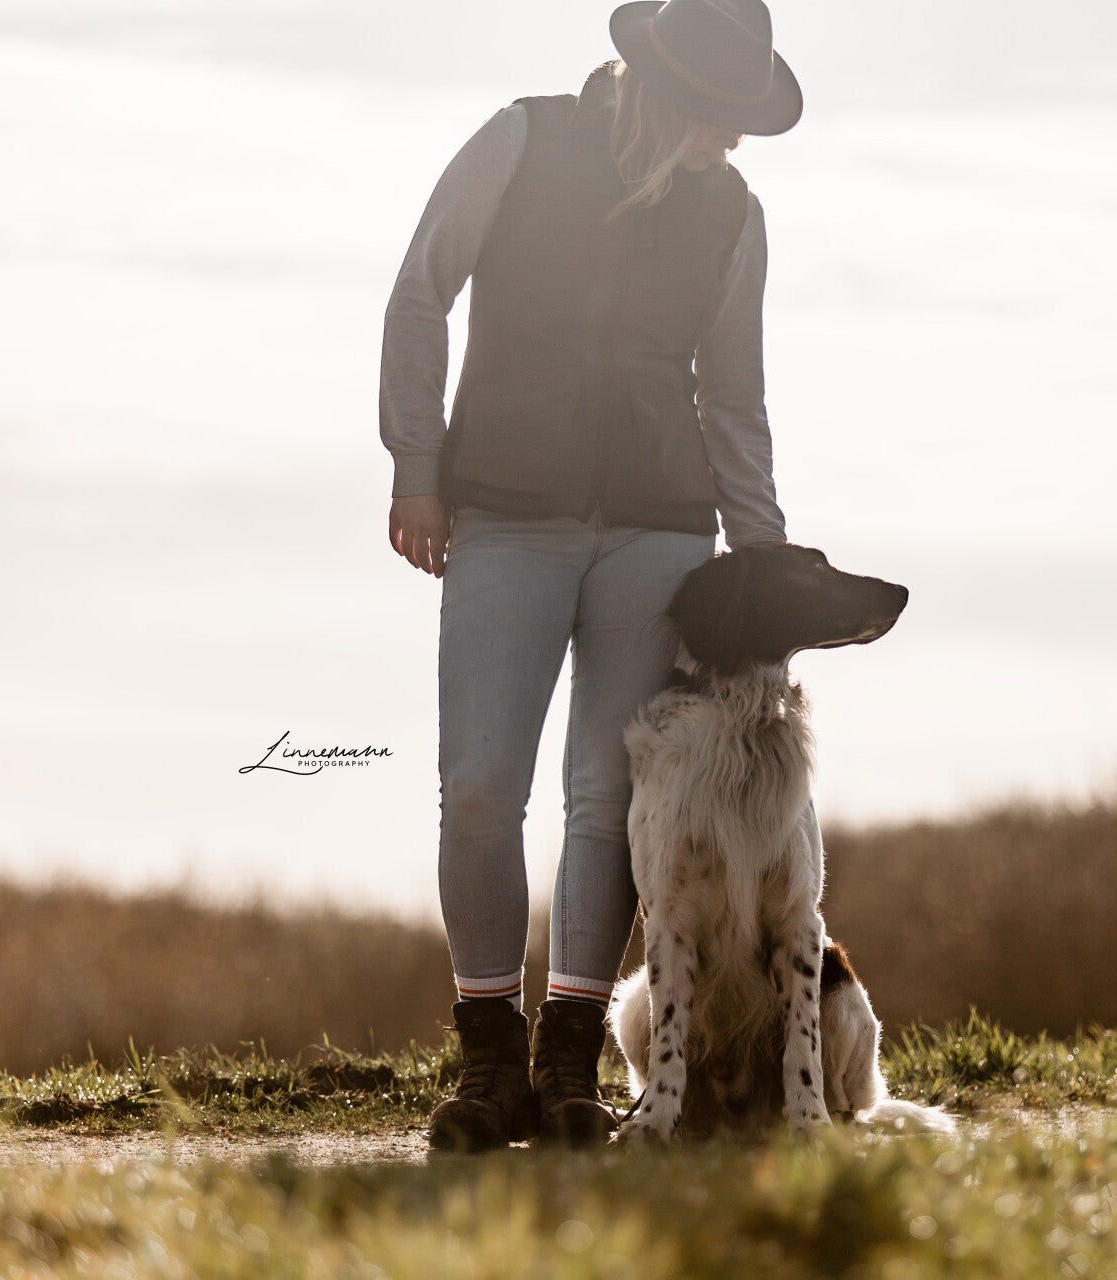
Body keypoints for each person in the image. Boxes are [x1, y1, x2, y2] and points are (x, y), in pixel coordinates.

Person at [378, 0, 804, 1151]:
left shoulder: (733, 214)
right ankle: (486, 1060)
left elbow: (735, 396)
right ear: (662, 90)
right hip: (504, 518)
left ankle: (567, 1061)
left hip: (661, 535)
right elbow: (421, 291)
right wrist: (418, 462)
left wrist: (758, 558)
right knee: (477, 788)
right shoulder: (520, 141)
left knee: (606, 804)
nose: (734, 142)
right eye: (722, 117)